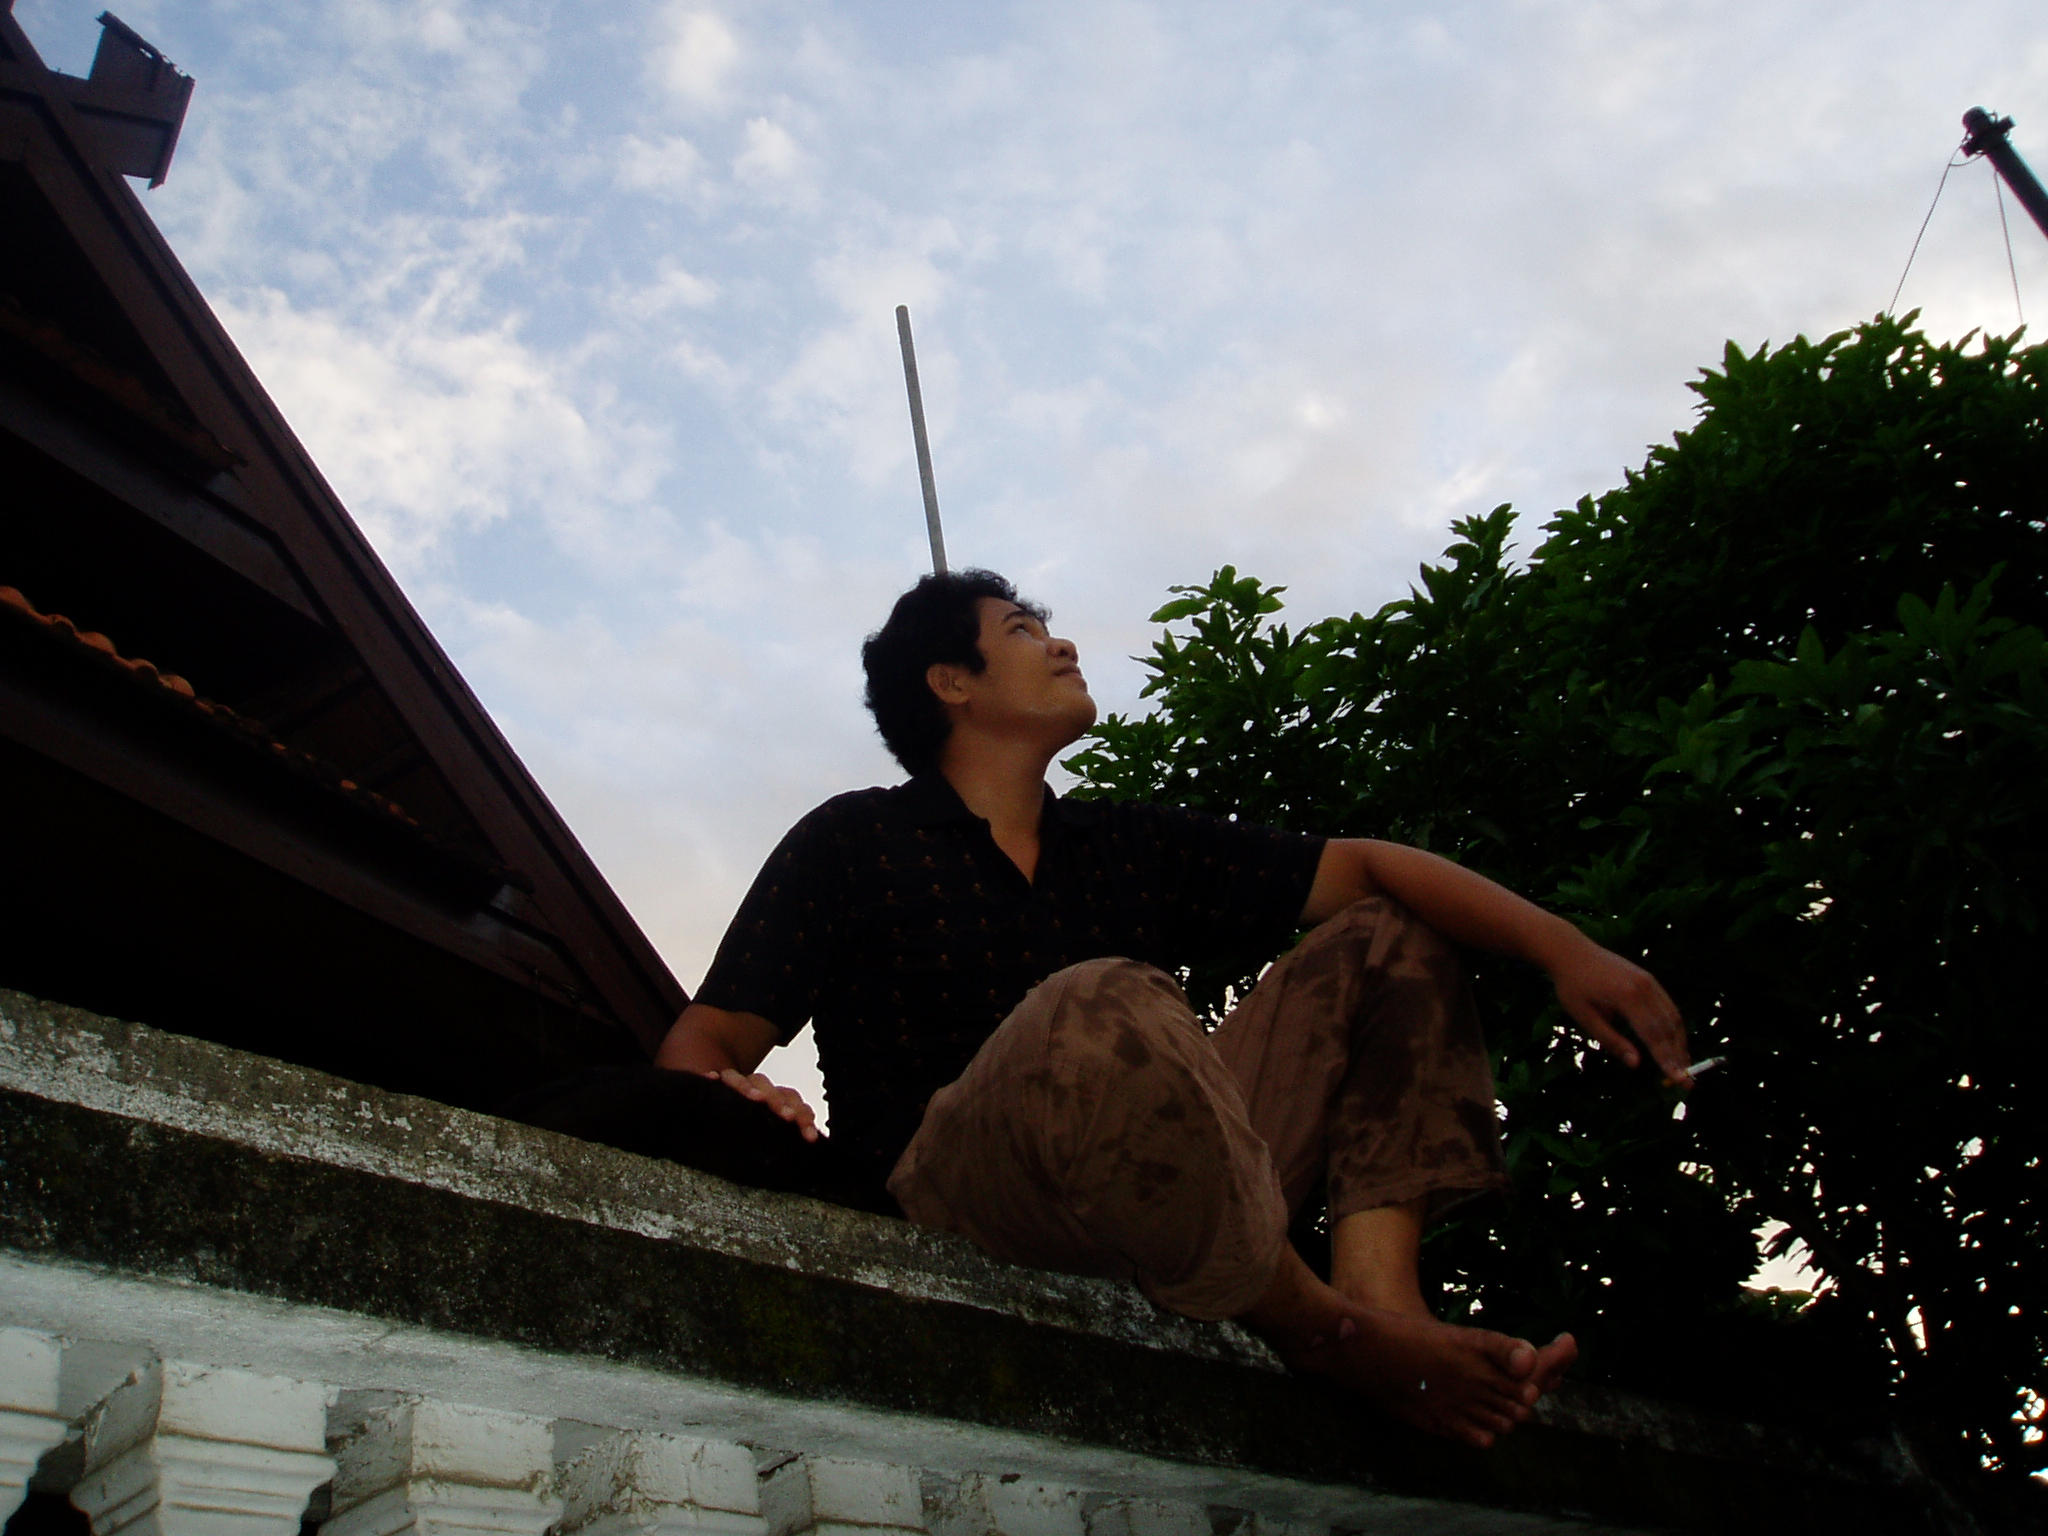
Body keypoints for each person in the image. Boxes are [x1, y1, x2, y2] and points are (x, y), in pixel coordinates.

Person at [535, 569, 1693, 1450]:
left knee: (1384, 934)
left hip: (1170, 1191)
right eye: (1022, 632)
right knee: (1098, 1004)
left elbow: (1374, 866)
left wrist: (1566, 948)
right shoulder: (855, 841)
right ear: (951, 684)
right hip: (953, 1191)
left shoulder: (1124, 845)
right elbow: (703, 1044)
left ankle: (1380, 1304)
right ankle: (1325, 1337)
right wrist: (740, 1085)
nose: (1063, 640)